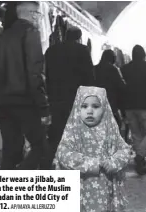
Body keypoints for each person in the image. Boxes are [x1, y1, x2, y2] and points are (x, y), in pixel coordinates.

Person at [0, 2, 51, 170]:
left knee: (11, 149)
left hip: (2, 102)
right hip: (24, 100)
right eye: (38, 15)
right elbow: (34, 72)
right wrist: (43, 106)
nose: (39, 18)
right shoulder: (30, 32)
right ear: (31, 14)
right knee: (40, 147)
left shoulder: (1, 36)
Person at [54, 86, 130, 212]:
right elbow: (63, 153)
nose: (89, 111)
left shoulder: (110, 130)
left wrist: (114, 162)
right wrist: (91, 164)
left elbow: (124, 150)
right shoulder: (74, 130)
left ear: (104, 108)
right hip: (80, 189)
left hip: (105, 189)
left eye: (95, 106)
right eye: (84, 106)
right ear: (77, 107)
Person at [45, 26, 95, 168]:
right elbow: (89, 76)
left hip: (56, 98)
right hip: (76, 98)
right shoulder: (83, 50)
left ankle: (49, 163)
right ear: (79, 38)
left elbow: (47, 75)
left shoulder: (51, 51)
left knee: (56, 133)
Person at [121, 45, 146, 175]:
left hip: (130, 106)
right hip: (145, 105)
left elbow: (123, 88)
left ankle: (141, 165)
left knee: (136, 134)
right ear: (143, 55)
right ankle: (140, 156)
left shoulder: (124, 68)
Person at [94, 49, 126, 128]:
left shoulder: (94, 69)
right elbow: (121, 87)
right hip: (110, 105)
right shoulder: (113, 69)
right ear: (112, 58)